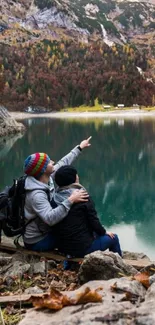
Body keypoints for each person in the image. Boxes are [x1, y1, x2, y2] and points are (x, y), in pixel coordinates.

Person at [23, 137, 91, 251]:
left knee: (73, 228)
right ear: (43, 169)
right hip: (37, 240)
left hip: (45, 230)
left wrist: (80, 147)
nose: (53, 162)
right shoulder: (36, 195)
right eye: (49, 162)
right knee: (74, 236)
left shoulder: (45, 176)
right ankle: (71, 260)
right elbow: (50, 218)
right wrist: (71, 200)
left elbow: (64, 162)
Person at [53, 165, 122, 258]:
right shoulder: (83, 197)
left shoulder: (55, 197)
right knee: (114, 238)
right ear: (74, 179)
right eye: (76, 175)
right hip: (82, 248)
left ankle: (68, 264)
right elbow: (93, 221)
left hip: (62, 247)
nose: (78, 176)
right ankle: (120, 267)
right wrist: (104, 232)